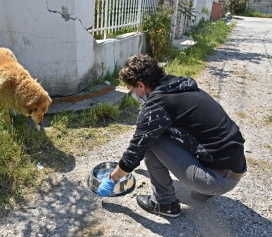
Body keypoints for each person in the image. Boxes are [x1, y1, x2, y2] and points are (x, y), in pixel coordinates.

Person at [96, 54, 247, 217]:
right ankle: (206, 190)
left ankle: (164, 203)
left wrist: (112, 179)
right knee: (175, 132)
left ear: (140, 85)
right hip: (236, 166)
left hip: (219, 179)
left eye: (132, 90)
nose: (133, 95)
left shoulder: (157, 106)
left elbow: (134, 152)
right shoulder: (179, 86)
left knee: (151, 141)